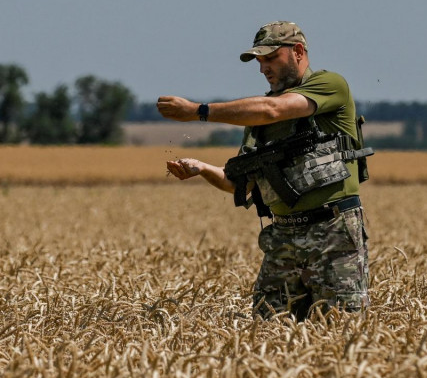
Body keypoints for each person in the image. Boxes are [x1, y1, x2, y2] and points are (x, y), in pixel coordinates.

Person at [156, 20, 371, 320]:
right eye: (259, 62)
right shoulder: (257, 118)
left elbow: (276, 110)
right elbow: (241, 187)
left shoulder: (329, 85)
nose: (263, 68)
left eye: (271, 58)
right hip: (282, 239)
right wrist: (202, 168)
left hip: (332, 234)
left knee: (341, 332)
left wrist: (198, 111)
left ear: (298, 51)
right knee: (265, 335)